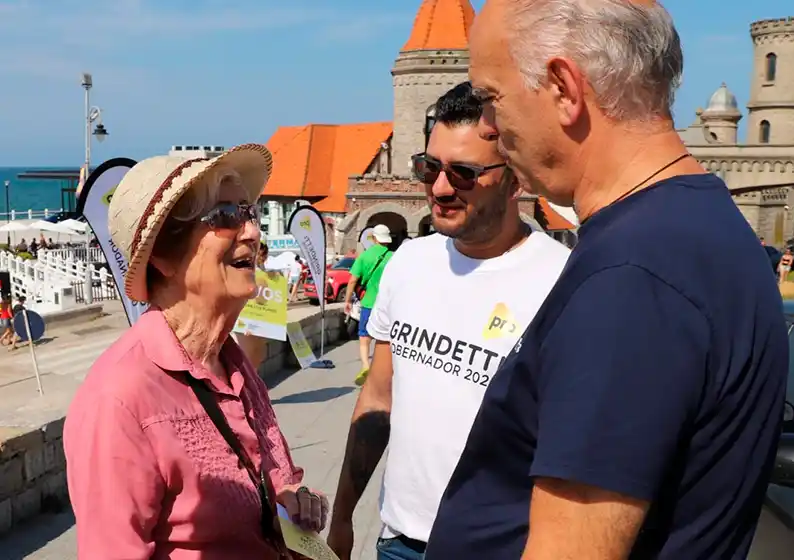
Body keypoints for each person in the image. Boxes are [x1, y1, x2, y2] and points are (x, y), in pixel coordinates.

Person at [427, 1, 789, 559]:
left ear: (564, 89)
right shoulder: (694, 228)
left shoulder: (635, 275)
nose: (488, 128)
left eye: (490, 100)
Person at [326, 82, 571, 560]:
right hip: (398, 541)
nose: (440, 187)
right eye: (429, 167)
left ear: (515, 176)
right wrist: (342, 516)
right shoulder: (409, 262)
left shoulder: (560, 283)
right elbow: (378, 397)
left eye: (463, 173)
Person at [64, 144, 328, 559]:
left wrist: (292, 501)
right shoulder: (121, 397)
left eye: (248, 212)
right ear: (164, 257)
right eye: (225, 216)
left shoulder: (233, 364)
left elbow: (274, 480)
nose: (252, 232)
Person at [342, 223, 393, 386]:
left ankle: (365, 365)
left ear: (374, 238)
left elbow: (352, 280)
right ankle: (384, 370)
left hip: (369, 303)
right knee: (385, 338)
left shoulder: (364, 256)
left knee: (364, 336)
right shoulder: (394, 256)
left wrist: (348, 300)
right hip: (388, 305)